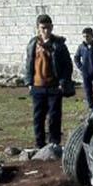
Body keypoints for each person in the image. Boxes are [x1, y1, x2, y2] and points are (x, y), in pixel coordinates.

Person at [22, 14, 73, 149]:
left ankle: (54, 143)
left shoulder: (59, 45)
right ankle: (39, 143)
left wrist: (63, 82)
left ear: (52, 27)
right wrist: (29, 82)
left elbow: (67, 65)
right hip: (37, 86)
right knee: (38, 117)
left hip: (54, 86)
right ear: (38, 28)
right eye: (43, 28)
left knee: (54, 116)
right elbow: (28, 63)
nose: (46, 31)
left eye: (48, 28)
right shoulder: (33, 44)